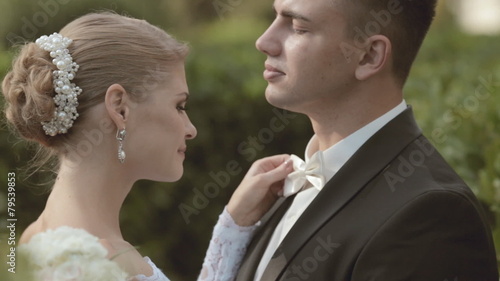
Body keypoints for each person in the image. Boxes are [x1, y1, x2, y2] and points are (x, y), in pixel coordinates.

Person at [1, 12, 293, 281]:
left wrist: (232, 227)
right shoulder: (96, 266)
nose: (191, 130)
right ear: (120, 108)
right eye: (179, 105)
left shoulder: (34, 240)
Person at [235, 0, 499, 280]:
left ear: (369, 56)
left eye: (299, 27)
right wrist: (232, 229)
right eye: (274, 17)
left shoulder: (431, 215)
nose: (264, 41)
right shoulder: (282, 186)